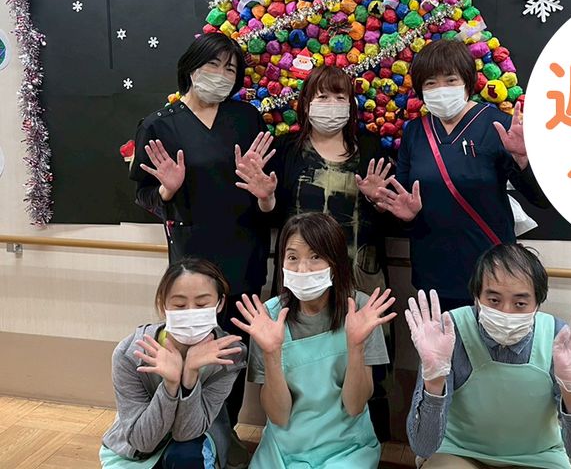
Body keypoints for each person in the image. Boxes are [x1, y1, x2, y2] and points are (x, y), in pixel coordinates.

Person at [130, 32, 277, 433]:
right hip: (192, 259)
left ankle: (226, 435)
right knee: (191, 342)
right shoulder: (159, 125)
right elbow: (143, 194)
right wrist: (167, 190)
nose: (221, 75)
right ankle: (189, 433)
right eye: (213, 64)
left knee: (233, 347)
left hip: (244, 254)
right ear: (191, 68)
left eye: (230, 68)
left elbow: (265, 189)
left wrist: (265, 194)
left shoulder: (246, 119)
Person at [369, 39, 550, 310]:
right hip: (433, 270)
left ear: (467, 81)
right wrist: (390, 206)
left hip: (493, 273)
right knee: (438, 338)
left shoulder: (497, 125)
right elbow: (405, 202)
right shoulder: (415, 132)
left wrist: (523, 160)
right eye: (431, 83)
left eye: (450, 80)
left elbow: (541, 200)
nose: (441, 89)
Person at [266, 64, 397, 439]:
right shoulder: (286, 150)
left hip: (361, 274)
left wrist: (379, 201)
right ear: (306, 103)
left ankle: (371, 445)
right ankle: (301, 439)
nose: (330, 104)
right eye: (322, 96)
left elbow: (390, 215)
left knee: (369, 360)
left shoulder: (369, 148)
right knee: (300, 359)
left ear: (351, 104)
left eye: (340, 96)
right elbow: (271, 216)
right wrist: (265, 199)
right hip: (302, 278)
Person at [405, 244, 571, 469]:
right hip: (459, 451)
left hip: (539, 456)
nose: (506, 312)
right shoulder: (448, 333)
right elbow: (423, 446)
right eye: (494, 300)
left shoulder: (559, 340)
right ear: (476, 297)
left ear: (537, 304)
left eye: (520, 304)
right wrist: (433, 382)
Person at [233, 213, 395, 468]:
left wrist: (356, 346)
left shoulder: (362, 311)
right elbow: (278, 416)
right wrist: (272, 353)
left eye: (316, 256)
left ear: (336, 262)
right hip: (283, 449)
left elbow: (355, 406)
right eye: (292, 258)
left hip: (346, 448)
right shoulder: (268, 318)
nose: (303, 269)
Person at [100, 257, 247, 469]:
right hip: (136, 449)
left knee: (187, 455)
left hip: (197, 439)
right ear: (163, 304)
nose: (190, 312)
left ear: (220, 303)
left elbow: (186, 433)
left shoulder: (229, 356)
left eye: (202, 304)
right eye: (179, 305)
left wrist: (190, 376)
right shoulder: (130, 354)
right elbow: (142, 441)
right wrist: (170, 385)